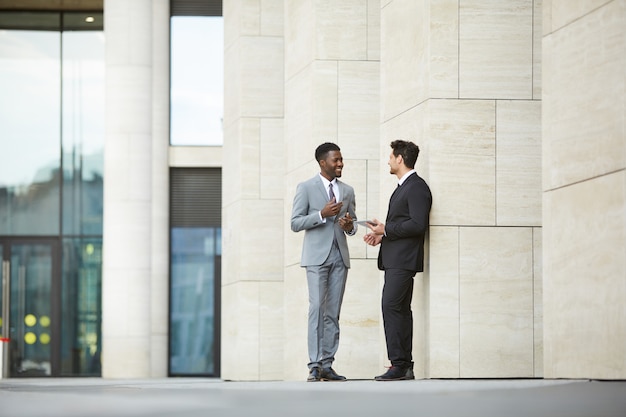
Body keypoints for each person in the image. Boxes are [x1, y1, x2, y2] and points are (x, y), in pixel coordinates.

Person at [364, 140, 432, 381]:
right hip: (396, 258)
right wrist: (382, 235)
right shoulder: (404, 186)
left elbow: (417, 224)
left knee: (391, 307)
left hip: (403, 261)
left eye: (391, 157)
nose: (388, 160)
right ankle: (404, 365)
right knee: (400, 310)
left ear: (400, 159)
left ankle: (399, 365)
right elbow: (404, 225)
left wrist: (387, 229)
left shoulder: (416, 187)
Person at [291, 142, 358, 382]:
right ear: (322, 162)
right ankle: (314, 364)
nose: (340, 163)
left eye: (341, 160)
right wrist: (321, 214)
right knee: (317, 308)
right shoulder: (306, 188)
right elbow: (295, 223)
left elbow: (353, 225)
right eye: (336, 160)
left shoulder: (348, 191)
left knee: (333, 312)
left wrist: (349, 227)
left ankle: (328, 365)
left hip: (340, 256)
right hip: (316, 258)